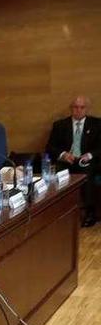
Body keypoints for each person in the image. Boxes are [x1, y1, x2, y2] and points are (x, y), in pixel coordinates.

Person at [45, 95, 100, 227]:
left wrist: (89, 155)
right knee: (56, 172)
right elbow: (50, 147)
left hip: (87, 161)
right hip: (66, 161)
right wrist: (63, 154)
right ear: (71, 109)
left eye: (82, 107)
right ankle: (60, 213)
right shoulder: (60, 125)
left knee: (86, 173)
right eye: (75, 107)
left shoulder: (97, 124)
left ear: (87, 109)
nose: (78, 110)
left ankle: (89, 212)